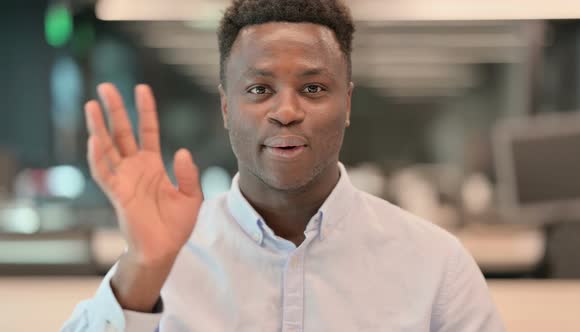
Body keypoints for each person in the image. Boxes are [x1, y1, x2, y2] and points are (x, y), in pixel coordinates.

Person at [62, 0, 505, 331]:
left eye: (313, 88)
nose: (287, 111)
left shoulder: (435, 264)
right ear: (225, 107)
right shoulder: (164, 258)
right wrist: (142, 267)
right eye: (258, 90)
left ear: (347, 103)